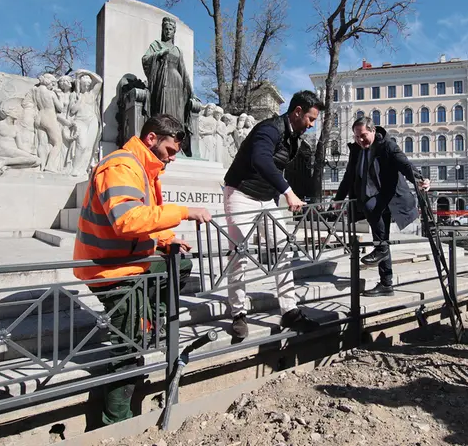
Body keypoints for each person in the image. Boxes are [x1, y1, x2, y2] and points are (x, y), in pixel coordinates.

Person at [72, 114, 212, 425]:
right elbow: (127, 220)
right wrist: (184, 212)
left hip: (127, 262)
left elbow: (143, 219)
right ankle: (114, 424)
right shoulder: (122, 166)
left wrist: (165, 238)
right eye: (171, 151)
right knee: (129, 350)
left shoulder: (144, 168)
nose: (172, 159)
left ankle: (151, 320)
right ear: (151, 140)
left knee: (181, 264)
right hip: (112, 272)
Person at [222, 90, 325, 339]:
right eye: (310, 119)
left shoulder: (296, 139)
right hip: (241, 194)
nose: (311, 126)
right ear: (297, 112)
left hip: (267, 198)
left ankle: (289, 310)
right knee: (240, 254)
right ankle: (238, 313)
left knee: (283, 249)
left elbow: (281, 169)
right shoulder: (268, 129)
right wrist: (288, 192)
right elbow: (261, 160)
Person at [333, 118, 430, 297]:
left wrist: (419, 179)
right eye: (356, 137)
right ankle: (386, 284)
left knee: (372, 214)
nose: (360, 140)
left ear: (373, 131)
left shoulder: (387, 145)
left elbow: (404, 163)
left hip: (388, 197)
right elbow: (348, 176)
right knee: (381, 240)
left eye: (363, 136)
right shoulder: (356, 150)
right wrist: (338, 198)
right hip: (369, 197)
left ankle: (381, 251)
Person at [142, 17, 193, 154]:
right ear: (162, 30)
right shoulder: (156, 45)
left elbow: (183, 72)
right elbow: (146, 59)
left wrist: (190, 91)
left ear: (174, 31)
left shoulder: (177, 50)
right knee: (164, 112)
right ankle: (161, 144)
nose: (168, 31)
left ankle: (177, 146)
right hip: (163, 82)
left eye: (170, 29)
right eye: (166, 29)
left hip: (177, 82)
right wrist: (159, 54)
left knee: (177, 114)